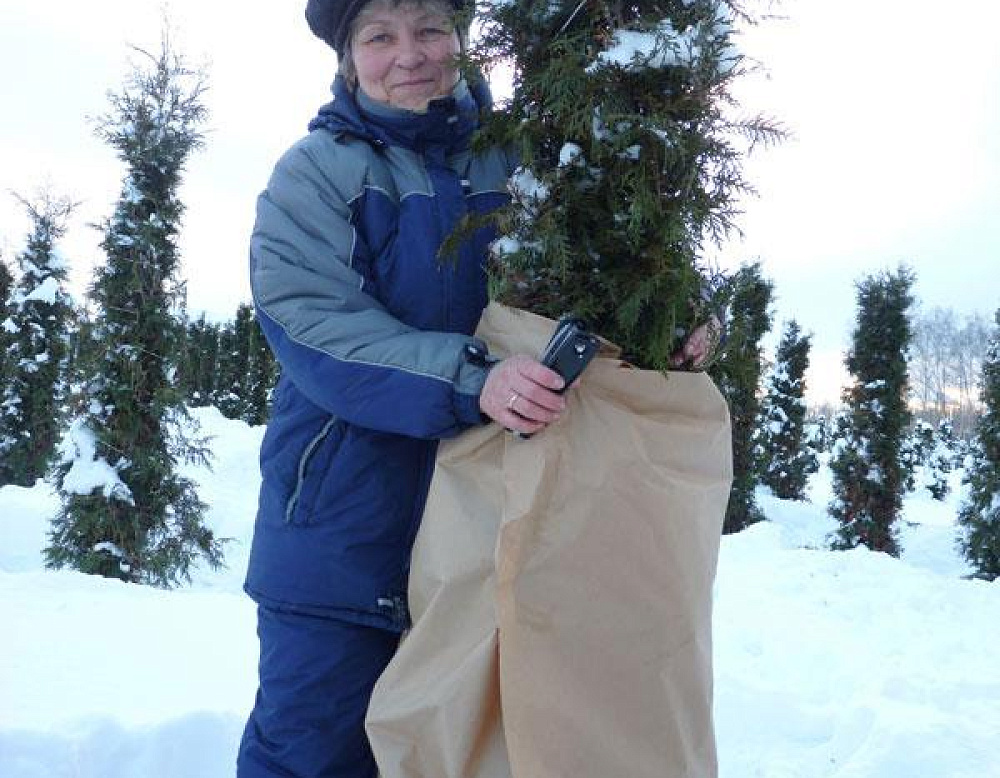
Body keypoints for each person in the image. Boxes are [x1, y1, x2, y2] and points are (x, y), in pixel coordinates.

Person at [237, 1, 718, 775]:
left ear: (462, 41)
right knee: (315, 753)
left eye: (430, 28)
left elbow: (612, 262)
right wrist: (475, 379)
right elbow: (314, 322)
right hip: (346, 537)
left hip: (502, 528)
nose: (410, 55)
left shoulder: (527, 156)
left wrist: (675, 317)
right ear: (347, 58)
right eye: (379, 37)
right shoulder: (316, 174)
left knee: (482, 751)